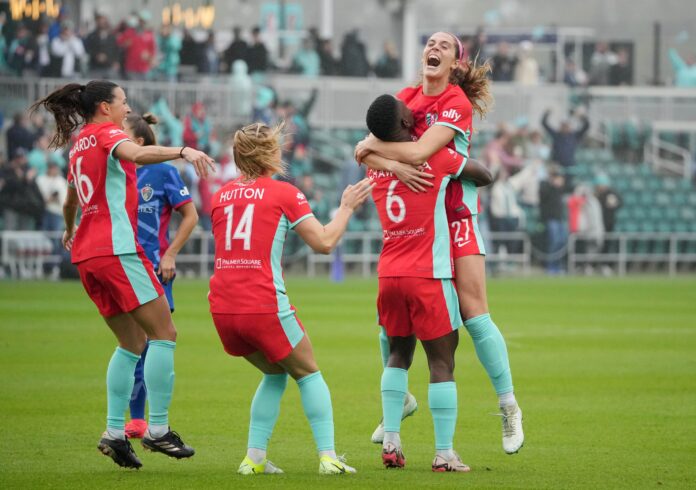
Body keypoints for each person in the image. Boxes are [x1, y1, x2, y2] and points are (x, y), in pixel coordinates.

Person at [30, 80, 214, 469]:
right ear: (103, 107)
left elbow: (69, 200)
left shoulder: (79, 144)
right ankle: (159, 430)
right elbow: (136, 153)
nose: (127, 110)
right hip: (118, 250)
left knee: (131, 343)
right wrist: (182, 150)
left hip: (86, 255)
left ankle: (115, 433)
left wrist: (69, 229)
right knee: (165, 333)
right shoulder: (106, 134)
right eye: (122, 103)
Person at [355, 31, 524, 455]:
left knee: (474, 315)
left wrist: (388, 158)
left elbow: (413, 151)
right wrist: (390, 160)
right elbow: (363, 148)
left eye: (444, 46)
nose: (434, 47)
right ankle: (401, 401)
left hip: (456, 217)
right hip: (417, 220)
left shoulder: (455, 102)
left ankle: (508, 404)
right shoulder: (405, 96)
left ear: (455, 64)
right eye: (430, 42)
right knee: (391, 319)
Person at [208, 122, 372, 475]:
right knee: (309, 374)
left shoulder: (220, 196)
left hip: (222, 308)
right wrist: (346, 207)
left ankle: (254, 459)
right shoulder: (284, 193)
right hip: (262, 305)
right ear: (269, 154)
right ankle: (328, 457)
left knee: (274, 373)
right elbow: (325, 242)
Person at [365, 94, 493, 472]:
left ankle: (391, 441)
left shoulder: (374, 166)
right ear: (406, 125)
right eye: (411, 115)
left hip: (389, 274)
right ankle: (444, 453)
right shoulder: (433, 158)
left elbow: (369, 152)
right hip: (428, 273)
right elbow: (485, 174)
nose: (417, 114)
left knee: (397, 356)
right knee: (442, 361)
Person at [121, 112, 199, 439]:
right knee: (131, 345)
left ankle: (155, 419)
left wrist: (170, 253)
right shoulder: (117, 172)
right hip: (124, 268)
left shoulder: (163, 171)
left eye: (122, 133)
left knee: (156, 343)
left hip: (155, 269)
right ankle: (137, 420)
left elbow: (191, 215)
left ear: (138, 142)